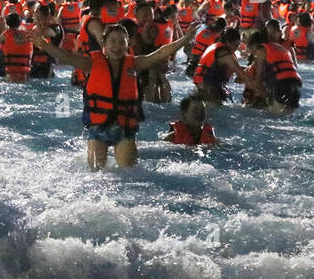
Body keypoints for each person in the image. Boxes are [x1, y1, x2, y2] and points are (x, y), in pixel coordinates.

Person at [31, 22, 195, 170]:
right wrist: (43, 44)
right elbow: (67, 57)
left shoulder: (135, 64)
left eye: (122, 41)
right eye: (113, 41)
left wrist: (185, 39)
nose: (117, 46)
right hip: (98, 129)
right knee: (95, 175)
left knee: (128, 175)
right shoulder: (92, 63)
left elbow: (160, 53)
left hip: (124, 129)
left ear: (127, 44)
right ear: (104, 44)